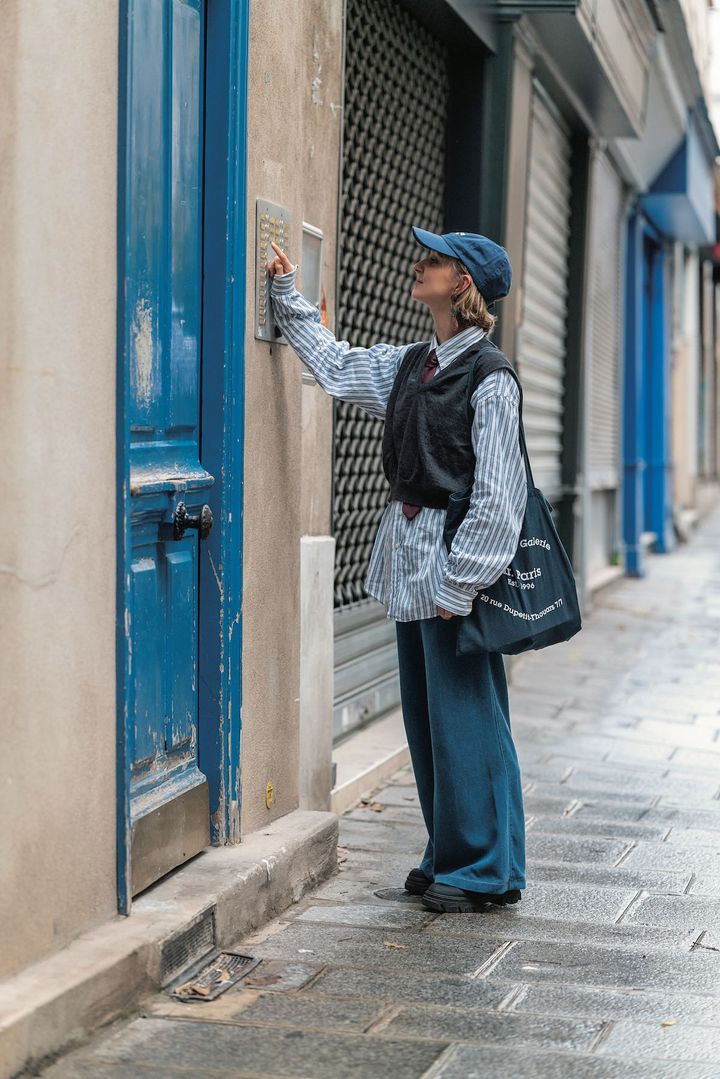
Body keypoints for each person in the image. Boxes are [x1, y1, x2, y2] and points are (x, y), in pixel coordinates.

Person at [267, 226, 528, 914]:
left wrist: (460, 581)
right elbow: (336, 363)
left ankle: (483, 866)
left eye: (436, 262)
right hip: (410, 555)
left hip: (452, 564)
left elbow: (501, 492)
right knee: (426, 712)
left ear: (463, 284)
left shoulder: (491, 377)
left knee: (466, 711)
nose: (421, 265)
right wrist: (287, 298)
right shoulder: (413, 362)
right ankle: (452, 849)